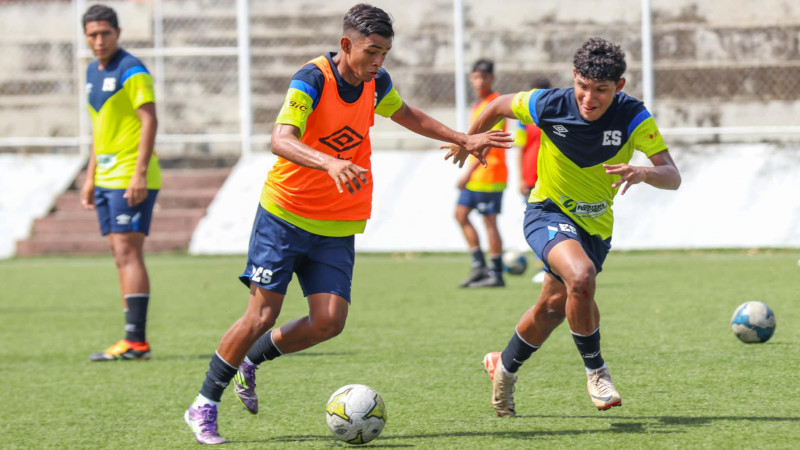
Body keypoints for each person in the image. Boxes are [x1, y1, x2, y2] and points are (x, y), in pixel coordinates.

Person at [183, 4, 512, 445]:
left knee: (329, 321)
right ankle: (204, 403)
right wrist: (329, 162)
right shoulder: (312, 79)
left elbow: (407, 114)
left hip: (336, 223)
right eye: (371, 51)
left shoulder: (377, 83)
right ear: (346, 45)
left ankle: (251, 361)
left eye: (385, 53)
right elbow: (281, 139)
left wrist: (462, 137)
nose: (378, 61)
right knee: (262, 314)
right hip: (285, 214)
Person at [444, 37, 681, 417]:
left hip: (596, 228)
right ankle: (596, 371)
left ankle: (502, 368)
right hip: (547, 212)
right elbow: (500, 105)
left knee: (553, 309)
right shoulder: (549, 103)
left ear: (618, 87)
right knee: (582, 276)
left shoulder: (633, 116)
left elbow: (673, 176)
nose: (589, 98)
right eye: (583, 87)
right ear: (574, 78)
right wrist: (474, 138)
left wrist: (644, 172)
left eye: (601, 90)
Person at [80, 4, 160, 362]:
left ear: (118, 32)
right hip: (106, 178)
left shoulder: (132, 70)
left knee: (129, 253)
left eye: (104, 33)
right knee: (119, 254)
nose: (99, 41)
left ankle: (136, 342)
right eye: (92, 35)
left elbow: (149, 120)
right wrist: (90, 176)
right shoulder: (91, 72)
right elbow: (100, 130)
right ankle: (131, 340)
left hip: (130, 176)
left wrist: (139, 172)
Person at [455, 59, 508, 288]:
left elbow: (490, 142)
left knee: (489, 222)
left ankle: (496, 273)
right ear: (471, 78)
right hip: (477, 175)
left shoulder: (496, 102)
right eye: (476, 77)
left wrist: (468, 172)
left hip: (490, 173)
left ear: (491, 78)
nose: (479, 81)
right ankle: (479, 266)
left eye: (484, 77)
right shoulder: (479, 103)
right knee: (460, 214)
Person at [514, 76, 551, 283]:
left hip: (551, 179)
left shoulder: (557, 117)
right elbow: (520, 148)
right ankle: (542, 266)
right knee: (536, 223)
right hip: (530, 178)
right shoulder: (525, 119)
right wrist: (520, 177)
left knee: (552, 222)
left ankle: (548, 267)